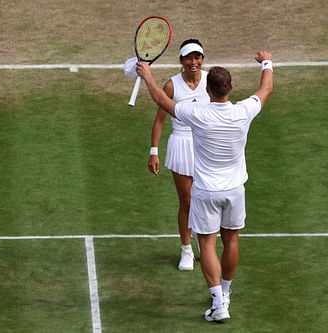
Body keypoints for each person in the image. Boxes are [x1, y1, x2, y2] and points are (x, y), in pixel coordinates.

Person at [137, 51, 273, 322]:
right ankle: (226, 293)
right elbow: (266, 87)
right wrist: (267, 61)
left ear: (208, 89)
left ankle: (217, 302)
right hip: (235, 190)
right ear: (231, 88)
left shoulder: (198, 114)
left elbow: (163, 101)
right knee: (231, 240)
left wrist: (148, 76)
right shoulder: (244, 111)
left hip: (206, 191)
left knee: (207, 244)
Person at [147, 39, 209, 271]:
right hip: (181, 144)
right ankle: (186, 249)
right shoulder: (172, 85)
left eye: (197, 57)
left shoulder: (211, 81)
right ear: (181, 60)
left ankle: (204, 245)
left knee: (205, 200)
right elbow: (160, 121)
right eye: (189, 58)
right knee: (187, 201)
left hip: (205, 145)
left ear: (202, 59)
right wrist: (154, 152)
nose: (194, 62)